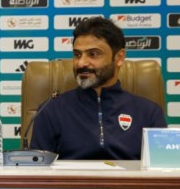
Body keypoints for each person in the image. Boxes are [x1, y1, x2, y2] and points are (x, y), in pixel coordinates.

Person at [28, 17, 166, 160]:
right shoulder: (51, 110)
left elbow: (162, 167)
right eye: (77, 55)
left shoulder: (149, 113)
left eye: (93, 54)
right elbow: (38, 169)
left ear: (119, 57)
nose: (81, 63)